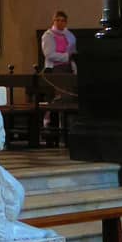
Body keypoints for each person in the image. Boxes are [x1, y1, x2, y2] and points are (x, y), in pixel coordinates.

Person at [39, 10, 76, 145]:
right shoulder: (48, 36)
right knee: (56, 100)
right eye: (58, 20)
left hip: (67, 70)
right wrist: (66, 57)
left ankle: (67, 131)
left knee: (68, 99)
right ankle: (50, 130)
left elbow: (73, 50)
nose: (60, 23)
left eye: (63, 20)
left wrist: (71, 57)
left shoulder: (69, 35)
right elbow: (49, 54)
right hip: (55, 70)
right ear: (54, 21)